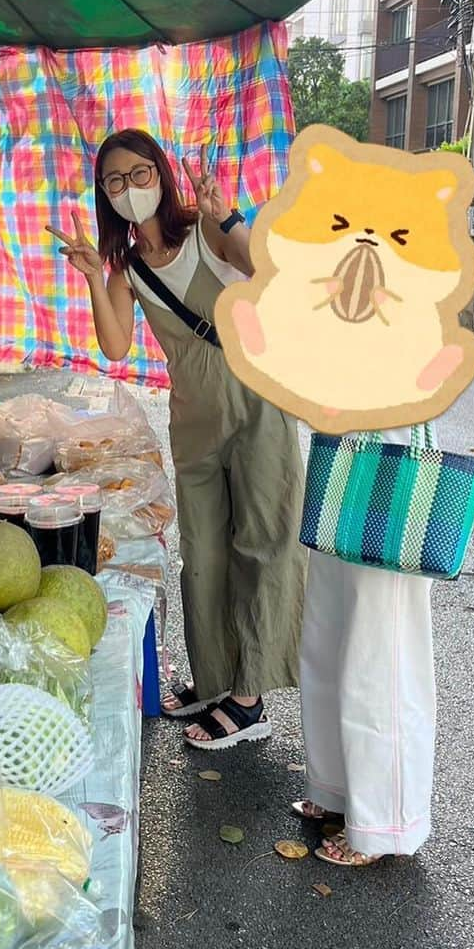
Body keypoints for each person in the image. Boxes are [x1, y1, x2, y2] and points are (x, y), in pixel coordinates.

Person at [49, 129, 306, 749]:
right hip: (193, 418)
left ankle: (249, 700)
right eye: (114, 181)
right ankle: (217, 678)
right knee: (204, 548)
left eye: (139, 175)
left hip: (256, 402)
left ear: (161, 176)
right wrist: (91, 275)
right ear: (104, 195)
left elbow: (269, 271)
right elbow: (115, 345)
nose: (129, 189)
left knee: (264, 543)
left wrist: (231, 218)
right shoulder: (128, 267)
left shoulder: (206, 229)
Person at [293, 426, 437, 867]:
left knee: (380, 647)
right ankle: (334, 789)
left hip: (393, 441)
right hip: (344, 436)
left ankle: (382, 823)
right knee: (326, 630)